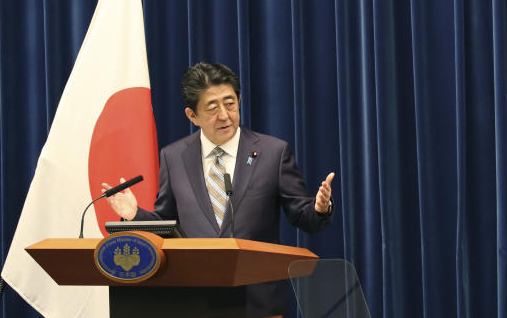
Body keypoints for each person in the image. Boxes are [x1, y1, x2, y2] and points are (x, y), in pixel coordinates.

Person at [102, 61, 335, 317]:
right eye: (212, 107)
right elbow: (166, 224)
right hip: (194, 302)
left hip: (257, 303)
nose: (225, 115)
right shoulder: (174, 156)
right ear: (192, 115)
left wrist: (319, 208)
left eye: (230, 103)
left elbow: (303, 216)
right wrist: (136, 215)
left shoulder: (273, 153)